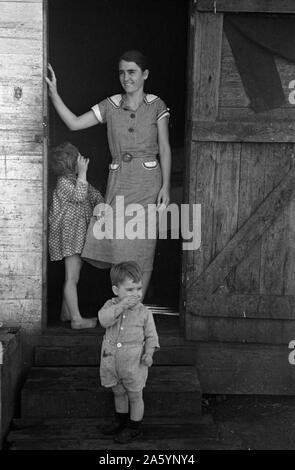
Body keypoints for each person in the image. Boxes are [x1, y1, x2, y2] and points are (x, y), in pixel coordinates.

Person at [46, 50, 171, 299]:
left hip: (149, 183)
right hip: (119, 182)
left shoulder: (157, 105)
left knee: (144, 245)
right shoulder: (111, 105)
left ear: (144, 74)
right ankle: (123, 301)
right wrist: (54, 94)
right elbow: (74, 123)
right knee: (116, 244)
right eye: (122, 73)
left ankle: (134, 307)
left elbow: (165, 148)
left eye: (132, 72)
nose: (126, 78)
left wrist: (166, 187)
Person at [98, 261, 159, 444]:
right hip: (111, 362)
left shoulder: (145, 313)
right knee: (118, 392)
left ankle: (133, 428)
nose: (136, 294)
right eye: (130, 290)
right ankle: (121, 422)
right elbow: (103, 320)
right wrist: (121, 306)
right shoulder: (110, 305)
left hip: (134, 364)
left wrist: (149, 354)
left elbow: (151, 337)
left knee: (134, 395)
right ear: (116, 291)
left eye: (138, 289)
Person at [49, 142, 104, 329]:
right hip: (70, 237)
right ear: (71, 163)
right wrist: (83, 173)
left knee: (73, 277)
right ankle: (76, 320)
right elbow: (80, 195)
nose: (82, 161)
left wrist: (102, 204)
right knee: (72, 278)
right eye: (78, 158)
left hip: (78, 236)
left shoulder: (76, 180)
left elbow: (93, 194)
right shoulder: (64, 183)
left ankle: (66, 312)